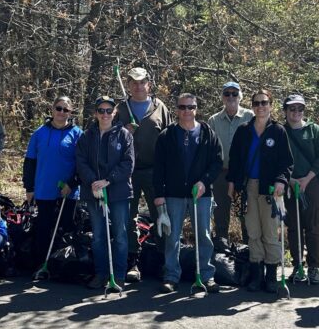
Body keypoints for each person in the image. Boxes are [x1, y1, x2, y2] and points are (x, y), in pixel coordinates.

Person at [154, 92, 223, 293]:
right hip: (173, 194)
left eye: (191, 107)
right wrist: (159, 195)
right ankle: (171, 276)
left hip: (201, 195)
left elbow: (217, 162)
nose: (187, 111)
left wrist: (204, 182)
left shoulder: (207, 133)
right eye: (183, 107)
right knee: (172, 237)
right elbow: (159, 168)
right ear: (177, 109)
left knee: (204, 235)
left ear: (196, 109)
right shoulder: (166, 136)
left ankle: (207, 275)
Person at [227, 89, 293, 293]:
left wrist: (282, 181)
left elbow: (287, 163)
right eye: (256, 103)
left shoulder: (278, 131)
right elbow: (235, 160)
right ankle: (256, 275)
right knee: (253, 232)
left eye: (264, 103)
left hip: (270, 189)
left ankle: (271, 277)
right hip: (248, 188)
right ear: (252, 106)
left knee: (270, 233)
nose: (260, 107)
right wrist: (232, 184)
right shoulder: (243, 130)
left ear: (271, 106)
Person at [114, 67, 171, 282]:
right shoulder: (120, 109)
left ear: (149, 83)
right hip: (127, 172)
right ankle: (133, 262)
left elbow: (168, 140)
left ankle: (163, 262)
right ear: (128, 84)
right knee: (129, 218)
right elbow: (108, 139)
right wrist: (124, 131)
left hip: (154, 172)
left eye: (142, 82)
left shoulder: (159, 107)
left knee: (160, 217)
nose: (138, 86)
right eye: (134, 82)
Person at [76, 96, 135, 289]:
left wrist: (108, 181)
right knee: (99, 235)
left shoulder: (124, 135)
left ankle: (118, 275)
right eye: (101, 111)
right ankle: (101, 274)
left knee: (120, 235)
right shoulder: (87, 136)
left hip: (118, 192)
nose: (105, 114)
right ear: (95, 113)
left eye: (109, 111)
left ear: (115, 112)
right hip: (93, 192)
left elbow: (128, 163)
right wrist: (93, 181)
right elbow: (81, 161)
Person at [23, 96, 83, 266]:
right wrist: (29, 187)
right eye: (59, 108)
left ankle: (64, 265)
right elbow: (30, 162)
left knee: (66, 227)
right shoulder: (39, 133)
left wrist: (72, 184)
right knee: (43, 227)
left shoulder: (78, 134)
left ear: (70, 113)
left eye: (66, 110)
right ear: (52, 109)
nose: (61, 113)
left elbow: (82, 165)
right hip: (44, 188)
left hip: (68, 191)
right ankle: (41, 264)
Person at [282, 94, 319, 284]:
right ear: (285, 110)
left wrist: (307, 178)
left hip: (311, 184)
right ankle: (297, 265)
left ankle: (313, 267)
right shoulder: (280, 131)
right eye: (292, 109)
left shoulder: (314, 130)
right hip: (289, 184)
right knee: (293, 227)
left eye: (300, 109)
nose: (296, 113)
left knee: (312, 226)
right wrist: (290, 179)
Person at [208, 81, 253, 247]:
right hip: (221, 175)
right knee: (220, 217)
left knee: (245, 216)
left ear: (240, 96)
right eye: (227, 94)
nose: (231, 97)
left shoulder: (250, 117)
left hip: (243, 175)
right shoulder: (213, 120)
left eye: (234, 93)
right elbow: (210, 150)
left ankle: (248, 254)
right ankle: (222, 255)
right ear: (222, 97)